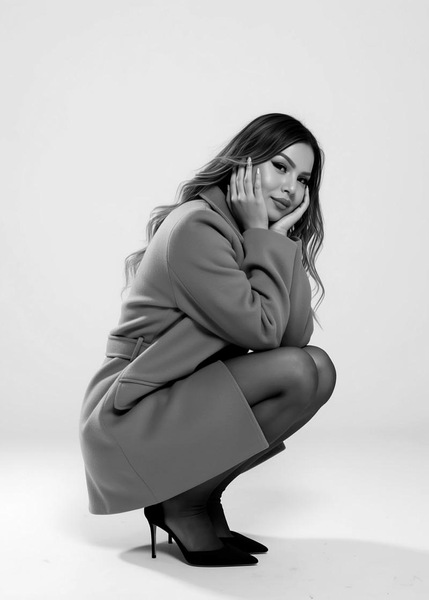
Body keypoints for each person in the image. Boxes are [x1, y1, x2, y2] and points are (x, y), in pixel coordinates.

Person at [78, 113, 337, 567]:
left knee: (317, 368)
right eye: (279, 167)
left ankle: (200, 498)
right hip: (129, 412)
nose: (291, 188)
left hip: (177, 397)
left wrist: (278, 241)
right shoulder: (198, 227)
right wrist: (262, 236)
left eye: (303, 179)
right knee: (298, 372)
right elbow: (264, 334)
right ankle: (183, 505)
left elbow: (292, 336)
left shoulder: (246, 232)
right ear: (245, 164)